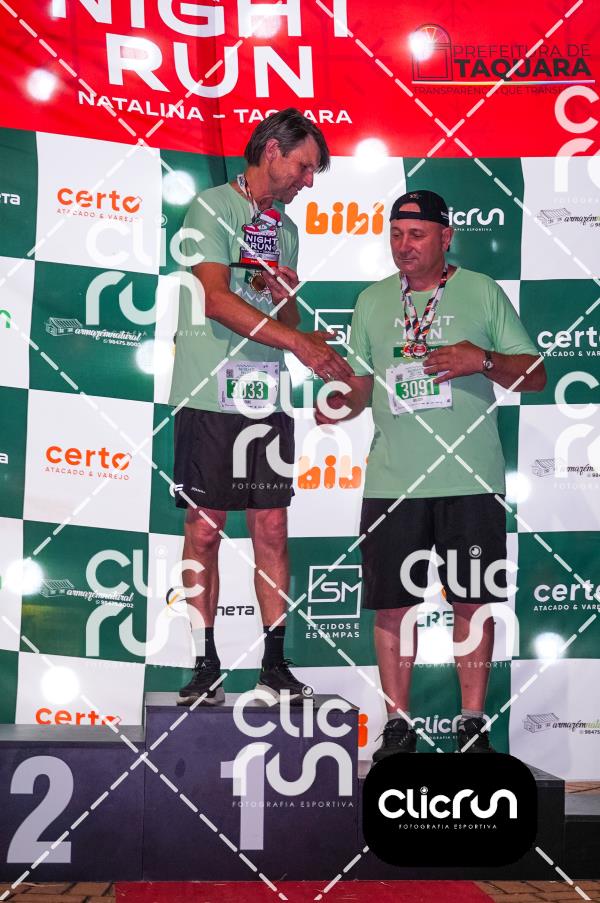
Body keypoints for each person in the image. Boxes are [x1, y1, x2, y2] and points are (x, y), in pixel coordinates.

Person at [315, 189, 546, 754]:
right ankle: (398, 725)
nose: (404, 246)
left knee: (473, 602)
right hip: (393, 481)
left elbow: (536, 374)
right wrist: (339, 403)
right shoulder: (372, 300)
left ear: (446, 237)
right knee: (393, 607)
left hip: (470, 480)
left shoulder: (481, 291)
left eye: (416, 235)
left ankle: (471, 723)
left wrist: (481, 360)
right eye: (396, 234)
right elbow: (361, 387)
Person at [169, 108, 353, 706]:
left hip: (264, 393)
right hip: (207, 391)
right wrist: (299, 342)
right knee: (205, 528)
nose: (309, 181)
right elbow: (217, 301)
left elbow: (286, 315)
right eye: (304, 167)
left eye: (315, 172)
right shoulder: (211, 208)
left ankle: (274, 665)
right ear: (271, 150)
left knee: (272, 526)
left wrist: (286, 298)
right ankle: (205, 663)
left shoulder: (286, 228)